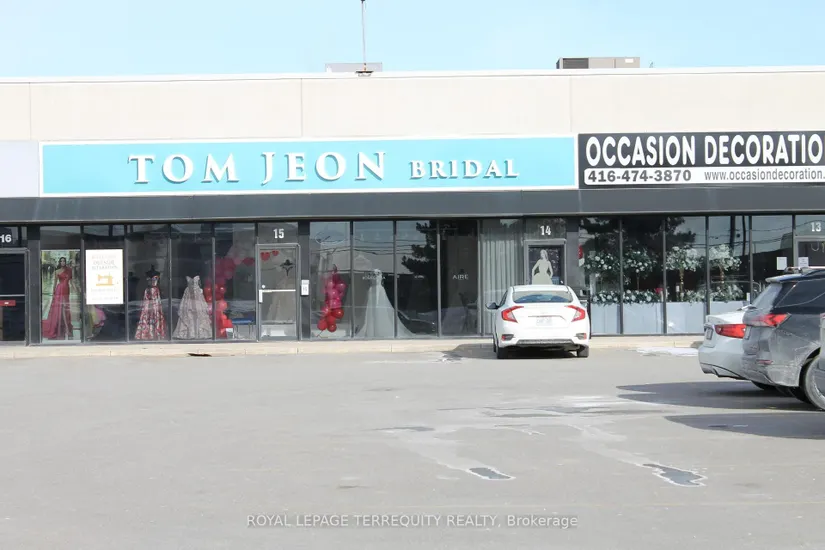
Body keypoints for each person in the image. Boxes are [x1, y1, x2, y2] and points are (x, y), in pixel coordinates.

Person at [42, 257, 74, 339]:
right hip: (59, 290)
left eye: (64, 261)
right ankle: (67, 329)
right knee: (62, 308)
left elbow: (72, 282)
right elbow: (55, 283)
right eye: (61, 261)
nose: (63, 262)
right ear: (59, 262)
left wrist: (77, 290)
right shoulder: (57, 271)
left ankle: (66, 326)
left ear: (65, 262)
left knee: (65, 308)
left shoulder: (69, 270)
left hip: (66, 290)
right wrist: (53, 293)